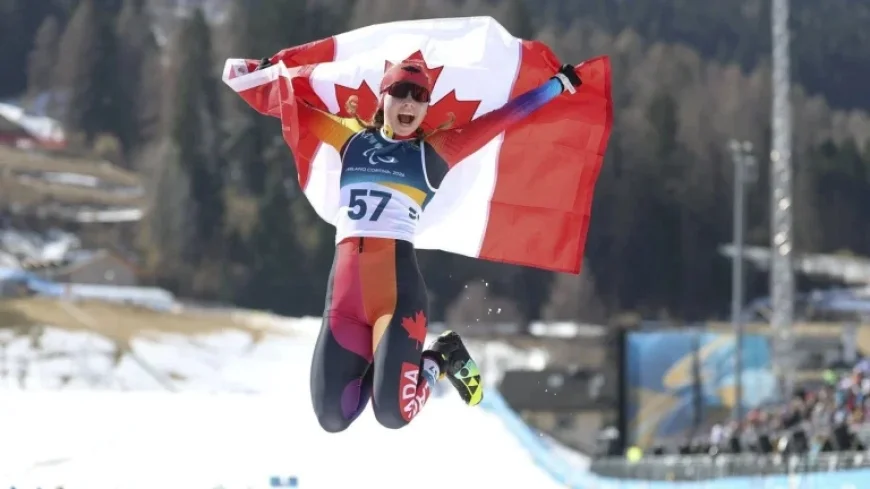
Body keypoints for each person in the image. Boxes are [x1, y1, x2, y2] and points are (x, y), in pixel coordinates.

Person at [254, 55, 583, 432]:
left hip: (396, 301)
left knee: (393, 414)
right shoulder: (349, 138)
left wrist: (557, 85)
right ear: (382, 98)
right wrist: (266, 76)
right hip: (344, 303)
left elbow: (501, 120)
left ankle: (442, 358)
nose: (409, 103)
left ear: (427, 106)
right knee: (332, 417)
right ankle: (388, 364)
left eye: (419, 96)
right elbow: (286, 109)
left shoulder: (434, 153)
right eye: (400, 92)